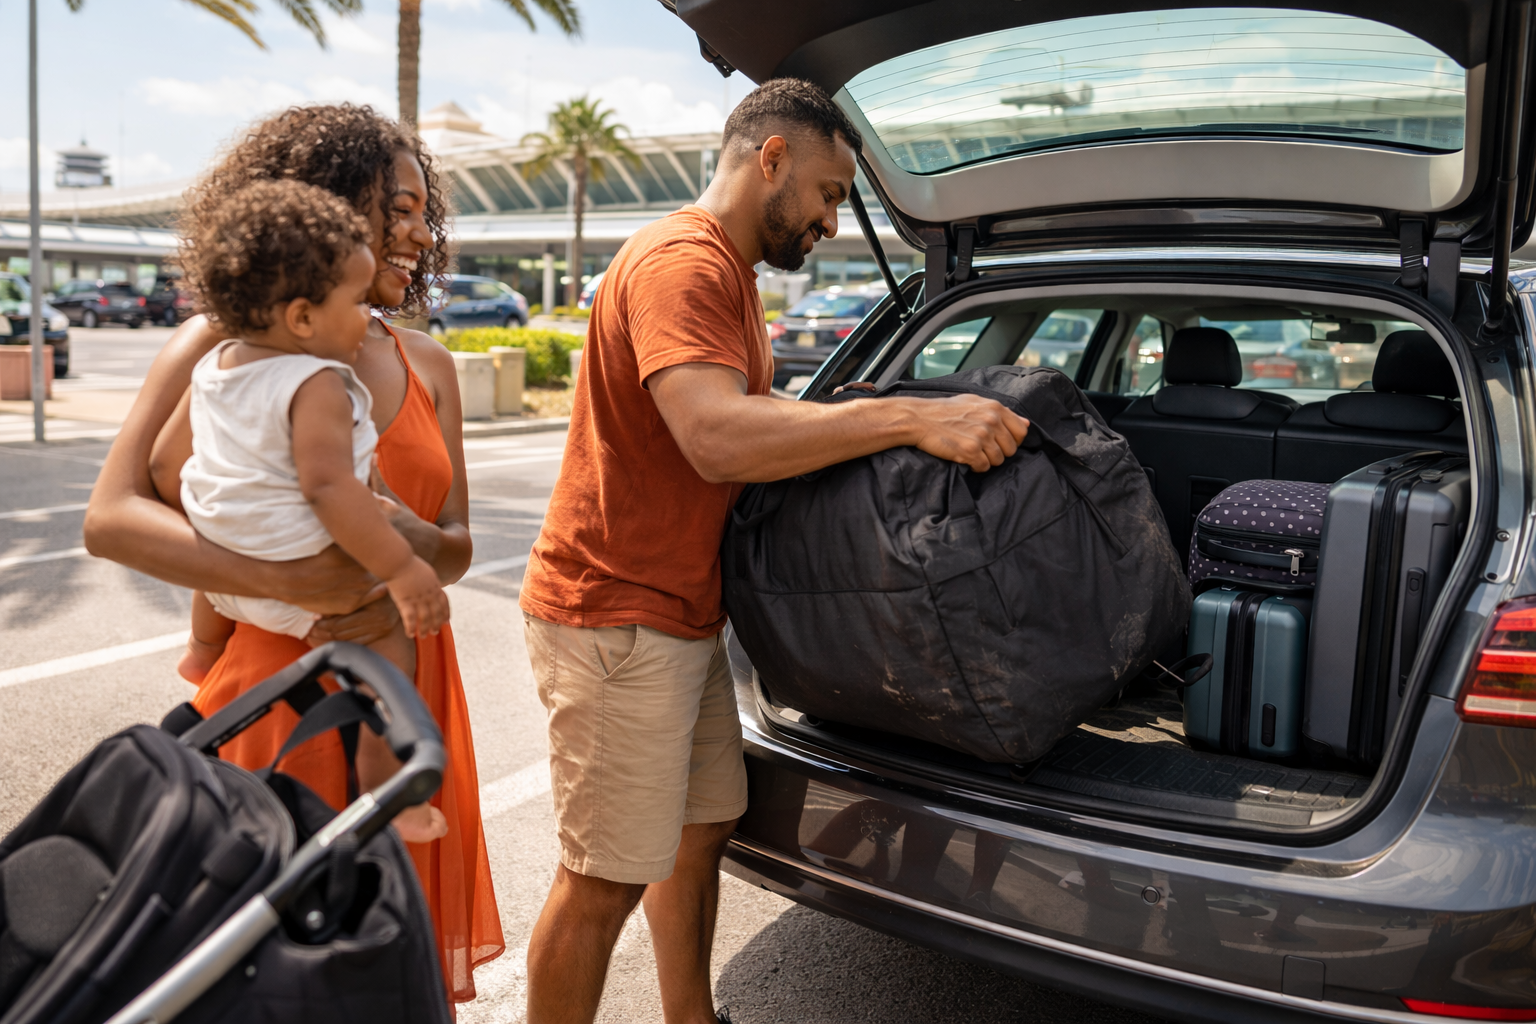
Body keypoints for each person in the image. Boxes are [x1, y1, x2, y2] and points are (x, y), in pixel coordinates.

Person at [519, 77, 1030, 1024]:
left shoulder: (727, 274)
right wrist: (908, 417)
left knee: (704, 821)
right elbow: (717, 437)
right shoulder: (684, 264)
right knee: (600, 881)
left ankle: (690, 1017)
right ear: (772, 159)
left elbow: (755, 428)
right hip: (613, 618)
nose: (833, 221)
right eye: (831, 193)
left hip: (676, 612)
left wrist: (867, 433)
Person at [83, 104, 503, 1003]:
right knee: (271, 984)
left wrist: (417, 544)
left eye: (424, 211)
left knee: (392, 973)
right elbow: (112, 517)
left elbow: (460, 547)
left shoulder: (429, 364)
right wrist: (289, 580)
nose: (416, 230)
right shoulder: (222, 345)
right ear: (318, 205)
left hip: (405, 696)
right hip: (279, 695)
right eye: (394, 204)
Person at [171, 177, 450, 842]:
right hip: (306, 577)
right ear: (301, 317)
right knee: (389, 644)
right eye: (354, 302)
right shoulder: (320, 381)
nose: (364, 318)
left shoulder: (222, 365)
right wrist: (405, 568)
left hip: (223, 575)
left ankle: (199, 650)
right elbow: (330, 489)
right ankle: (390, 787)